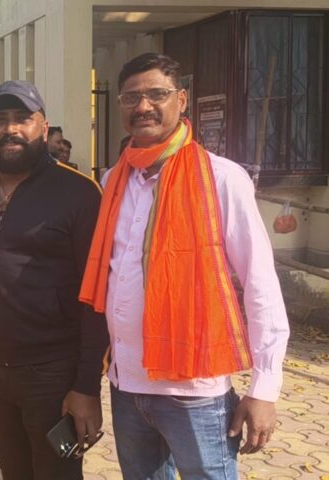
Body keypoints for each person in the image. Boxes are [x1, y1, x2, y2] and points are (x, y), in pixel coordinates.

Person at [79, 53, 290, 479]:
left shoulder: (221, 178)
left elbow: (260, 282)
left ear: (181, 99)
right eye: (131, 97)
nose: (143, 106)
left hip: (195, 393)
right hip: (126, 385)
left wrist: (264, 387)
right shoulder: (113, 182)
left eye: (156, 94)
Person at [0, 80, 109, 479]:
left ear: (44, 126)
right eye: (0, 120)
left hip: (53, 376)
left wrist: (87, 385)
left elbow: (98, 292)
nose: (11, 129)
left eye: (23, 118)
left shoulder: (78, 193)